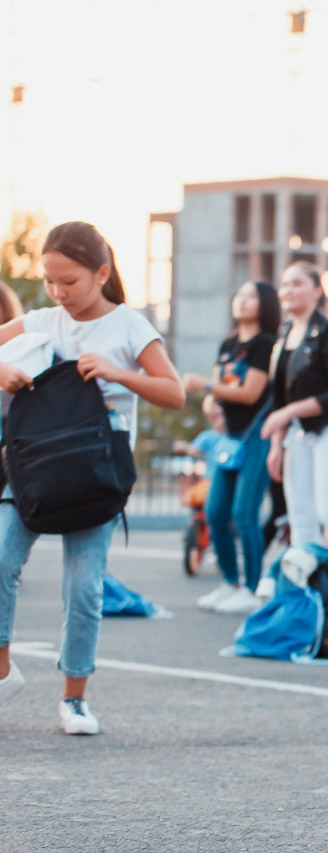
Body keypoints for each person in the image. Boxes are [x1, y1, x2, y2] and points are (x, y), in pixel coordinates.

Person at [0, 221, 185, 735]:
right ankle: (3, 673)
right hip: (33, 464)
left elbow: (174, 393)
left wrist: (117, 372)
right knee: (0, 559)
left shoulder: (130, 326)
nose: (58, 293)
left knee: (83, 587)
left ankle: (75, 698)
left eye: (69, 281)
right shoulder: (41, 320)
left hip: (93, 470)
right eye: (49, 281)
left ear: (101, 274)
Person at [260, 263, 328, 586]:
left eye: (297, 283)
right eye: (284, 284)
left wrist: (287, 413)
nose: (287, 290)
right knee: (300, 518)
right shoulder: (284, 332)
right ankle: (303, 595)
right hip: (301, 431)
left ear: (317, 291)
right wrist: (277, 444)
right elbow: (279, 396)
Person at [183, 281, 280, 615]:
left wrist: (205, 387)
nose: (242, 300)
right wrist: (211, 399)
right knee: (214, 512)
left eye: (251, 296)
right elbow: (221, 389)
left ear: (265, 304)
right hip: (230, 437)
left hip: (257, 437)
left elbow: (250, 393)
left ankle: (252, 589)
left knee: (244, 514)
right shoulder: (228, 343)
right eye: (239, 294)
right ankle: (230, 583)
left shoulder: (266, 344)